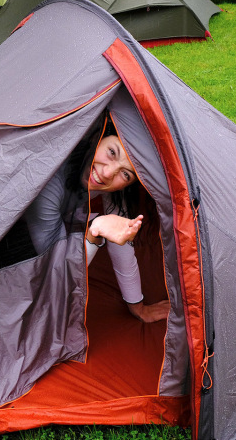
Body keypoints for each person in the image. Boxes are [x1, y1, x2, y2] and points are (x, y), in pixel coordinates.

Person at [25, 122, 171, 323]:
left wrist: (138, 307)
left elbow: (122, 244)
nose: (108, 173)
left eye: (126, 174)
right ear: (97, 137)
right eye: (112, 152)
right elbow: (57, 277)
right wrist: (94, 232)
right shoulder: (49, 183)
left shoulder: (104, 180)